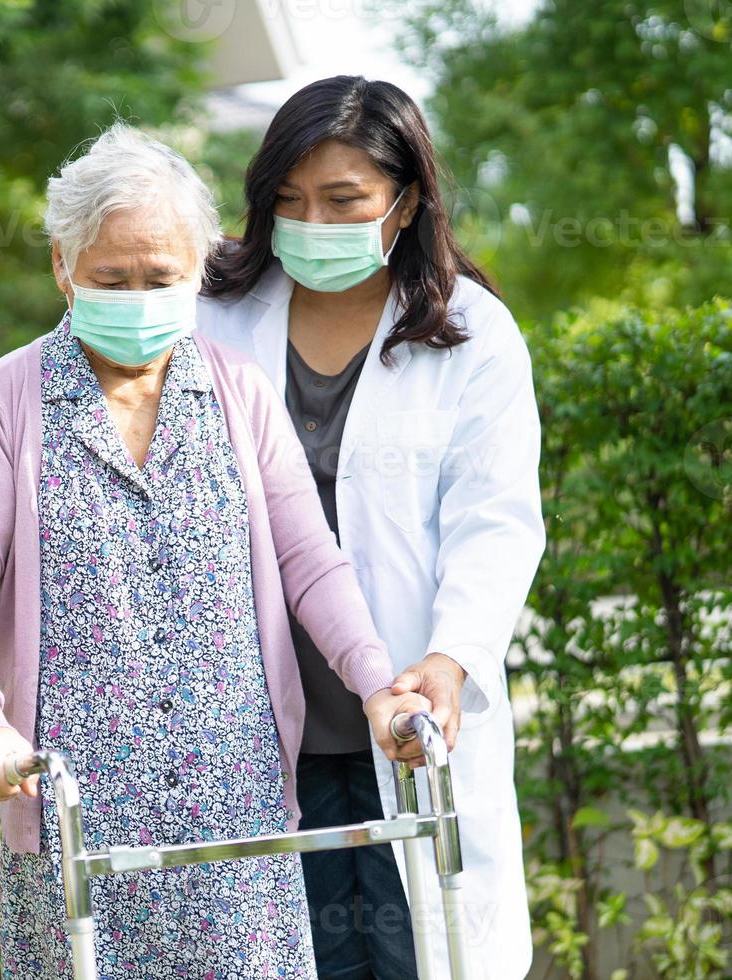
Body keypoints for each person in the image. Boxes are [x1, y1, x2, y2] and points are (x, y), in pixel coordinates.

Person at [0, 120, 431, 979]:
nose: (136, 295)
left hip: (238, 810)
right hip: (74, 811)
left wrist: (377, 684)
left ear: (199, 270)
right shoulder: (5, 399)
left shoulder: (239, 392)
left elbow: (311, 560)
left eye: (161, 277)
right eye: (109, 278)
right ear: (62, 267)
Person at [196, 76, 546, 979]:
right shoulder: (210, 318)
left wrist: (454, 653)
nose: (312, 221)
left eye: (343, 200)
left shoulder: (471, 334)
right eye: (288, 201)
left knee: (423, 953)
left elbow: (496, 521)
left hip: (406, 715)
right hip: (256, 730)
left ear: (407, 199)